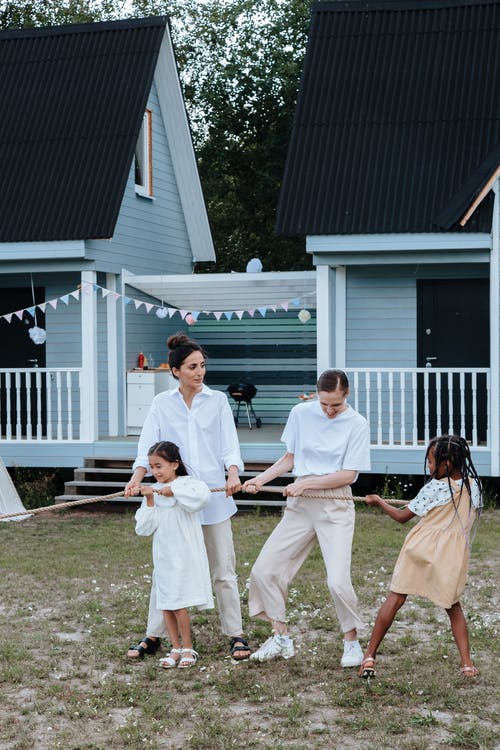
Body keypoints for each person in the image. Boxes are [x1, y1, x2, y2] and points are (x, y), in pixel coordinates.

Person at [125, 333, 250, 662]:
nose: (200, 372)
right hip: (173, 500)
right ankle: (154, 635)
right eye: (192, 367)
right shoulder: (161, 404)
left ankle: (235, 633)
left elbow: (229, 444)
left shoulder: (218, 401)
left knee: (224, 569)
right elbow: (147, 446)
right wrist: (137, 478)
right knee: (165, 569)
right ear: (176, 370)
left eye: (202, 366)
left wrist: (233, 473)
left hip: (212, 496)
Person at [242, 369, 371, 666]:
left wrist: (306, 483)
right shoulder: (301, 413)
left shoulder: (357, 423)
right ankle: (281, 637)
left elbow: (349, 474)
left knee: (337, 581)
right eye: (324, 403)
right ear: (316, 394)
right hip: (300, 506)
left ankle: (351, 642)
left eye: (335, 405)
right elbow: (290, 459)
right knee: (264, 570)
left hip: (335, 504)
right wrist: (260, 479)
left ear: (346, 395)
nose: (328, 411)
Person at [359, 434, 482, 680]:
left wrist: (379, 501)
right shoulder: (474, 486)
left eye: (431, 461)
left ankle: (369, 656)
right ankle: (467, 664)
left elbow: (403, 517)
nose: (429, 467)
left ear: (447, 463)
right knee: (453, 606)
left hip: (420, 549)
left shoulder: (435, 487)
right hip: (450, 556)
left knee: (395, 598)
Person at [132, 441, 213, 668]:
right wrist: (150, 499)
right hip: (164, 555)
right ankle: (175, 648)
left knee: (179, 604)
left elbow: (202, 498)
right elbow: (144, 529)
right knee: (166, 603)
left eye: (159, 466)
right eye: (152, 467)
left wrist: (173, 490)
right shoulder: (153, 493)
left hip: (184, 554)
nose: (155, 472)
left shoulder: (188, 484)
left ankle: (188, 648)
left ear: (175, 464)